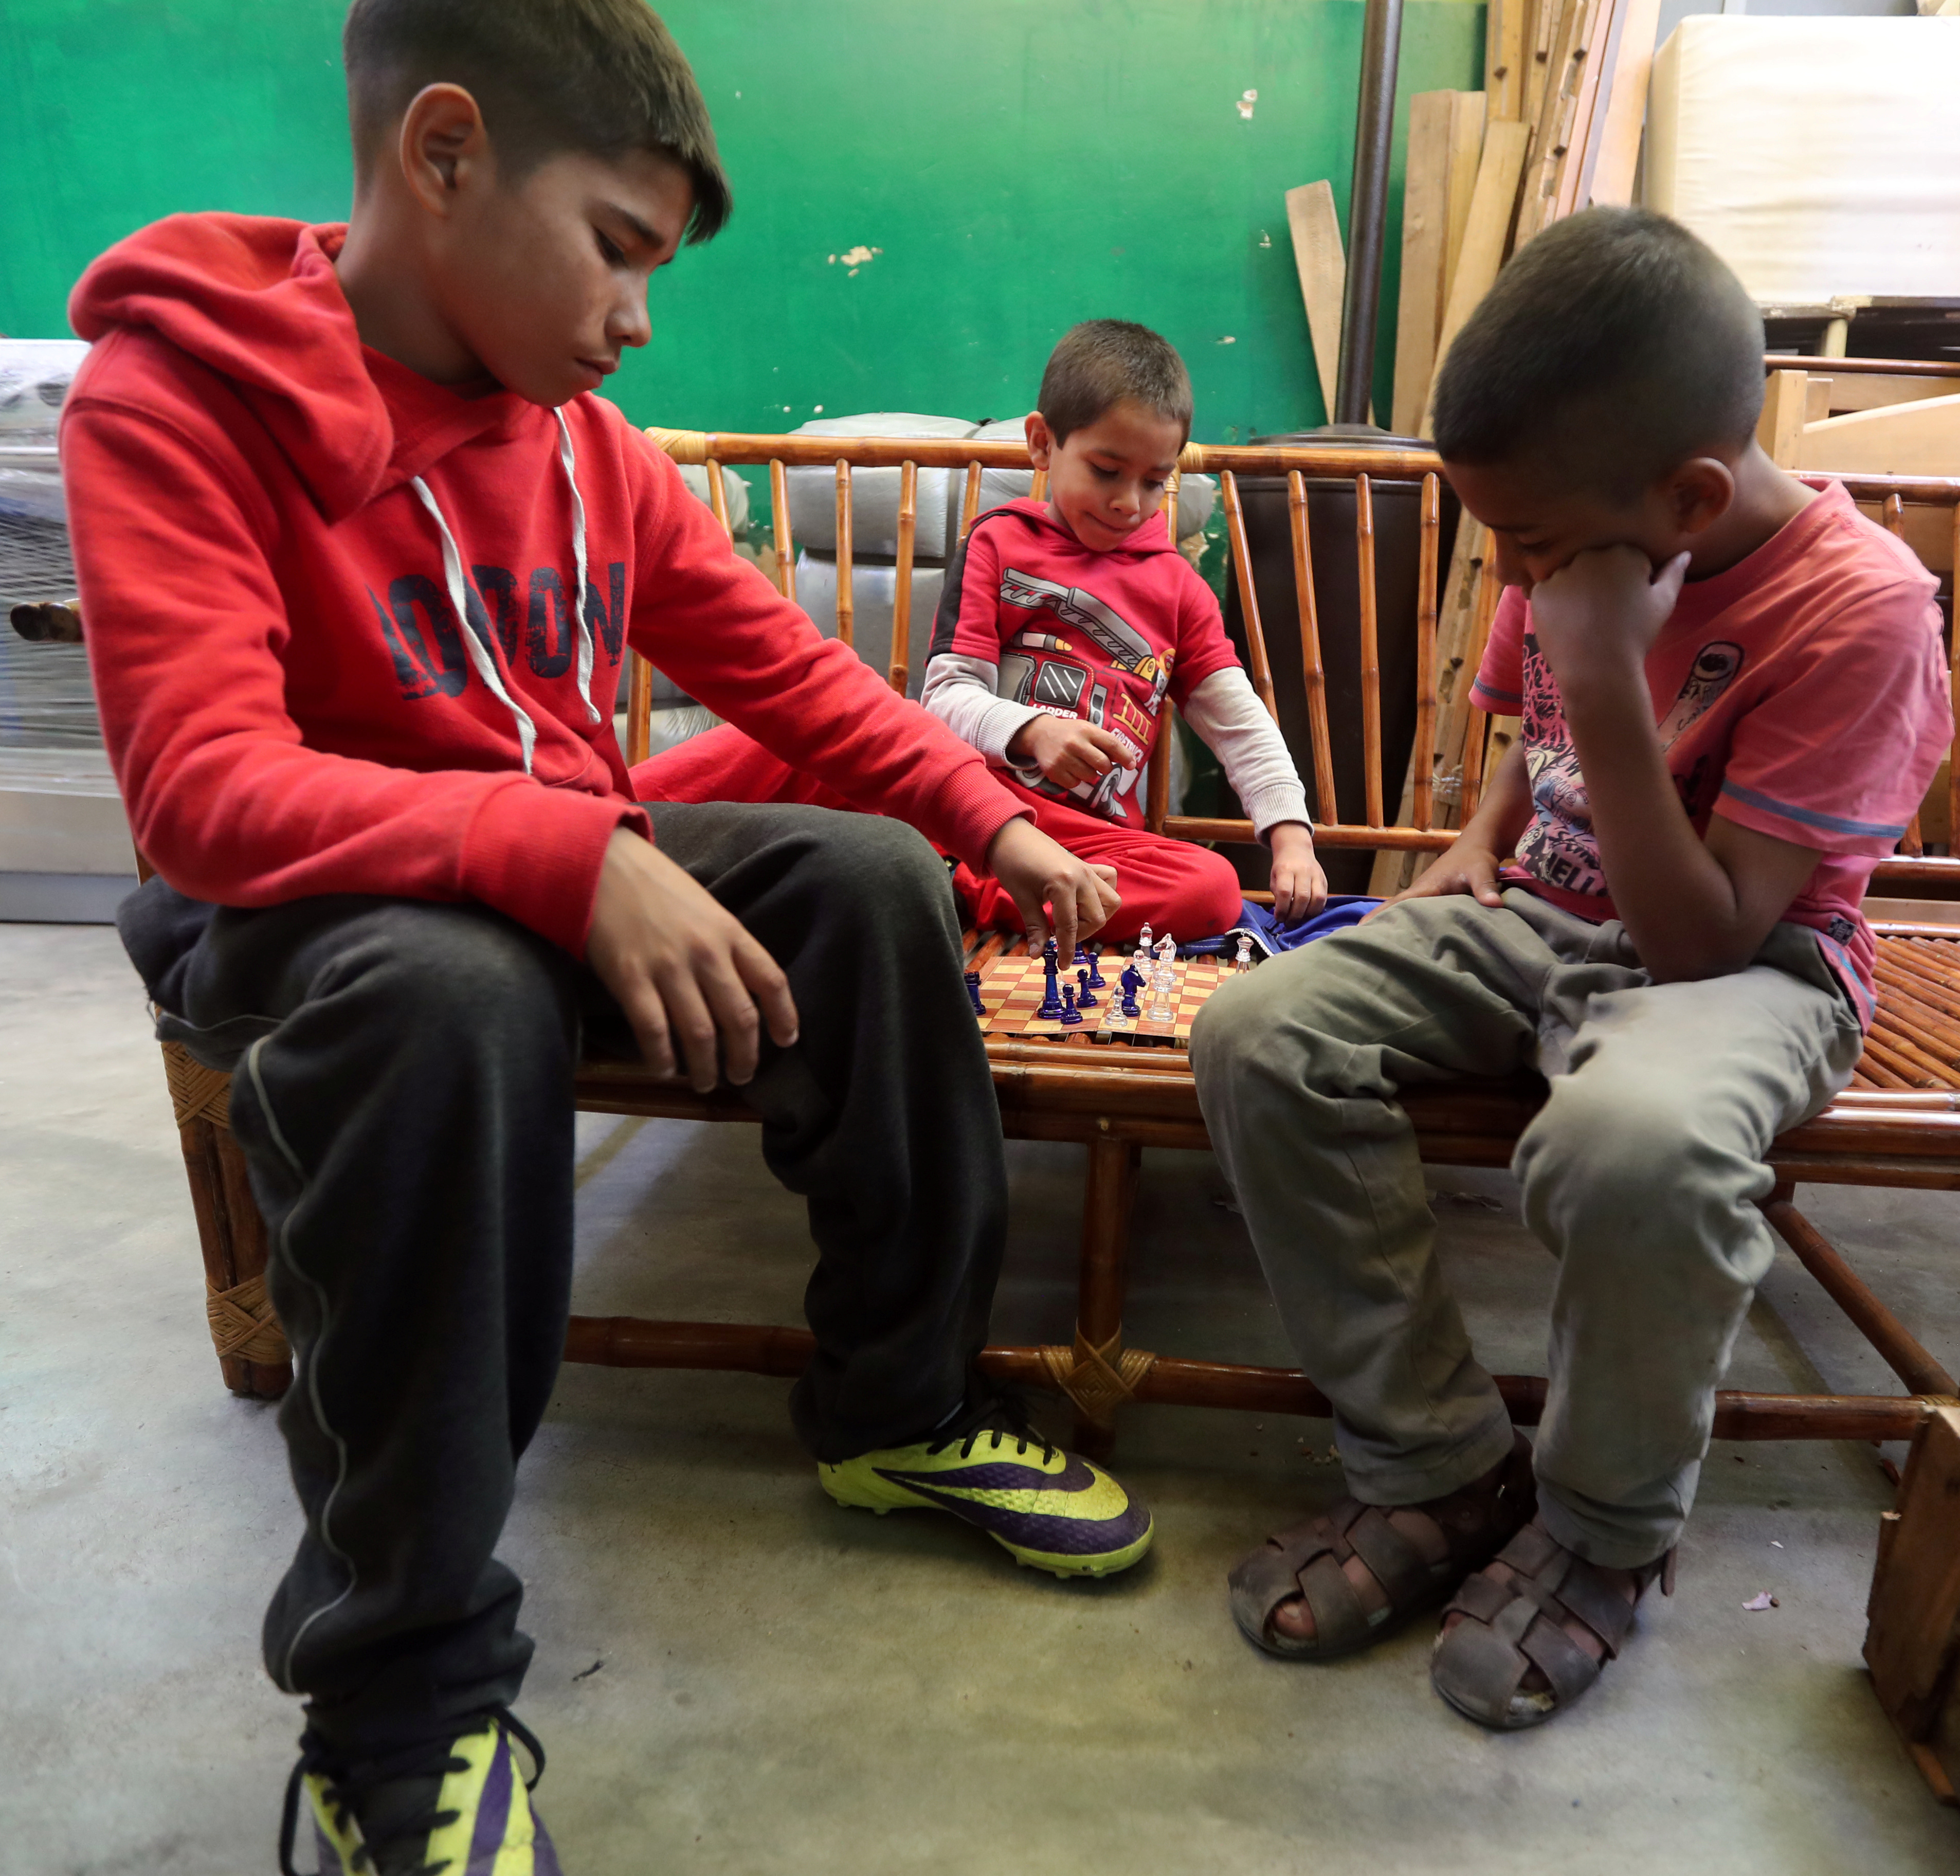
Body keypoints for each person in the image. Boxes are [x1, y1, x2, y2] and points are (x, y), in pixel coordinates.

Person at [60, 3, 1150, 1867]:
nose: (641, 314)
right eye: (618, 248)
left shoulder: (587, 441)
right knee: (450, 988)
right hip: (312, 917)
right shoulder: (175, 399)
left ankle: (897, 1401)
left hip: (548, 846)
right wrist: (554, 851)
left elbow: (788, 671)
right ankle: (395, 1702)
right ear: (447, 152)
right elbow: (200, 796)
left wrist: (990, 813)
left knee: (869, 883)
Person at [1192, 207, 1952, 1732]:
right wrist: (1478, 836)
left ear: (1687, 499)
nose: (1515, 574)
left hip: (1754, 962)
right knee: (1260, 1031)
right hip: (1535, 909)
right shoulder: (1562, 529)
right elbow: (1520, 734)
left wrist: (1609, 677)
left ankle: (1604, 1536)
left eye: (1530, 550)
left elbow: (1706, 936)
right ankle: (1439, 1466)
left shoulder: (1862, 613)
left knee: (1639, 1144)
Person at [636, 320, 1326, 943]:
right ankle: (607, 812)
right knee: (797, 736)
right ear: (1041, 444)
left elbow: (1241, 725)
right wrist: (1030, 732)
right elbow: (947, 701)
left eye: (1156, 481)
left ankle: (950, 886)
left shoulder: (1180, 588)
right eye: (1108, 471)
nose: (1130, 503)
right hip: (967, 795)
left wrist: (1290, 838)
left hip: (1082, 841)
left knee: (1210, 888)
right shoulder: (999, 544)